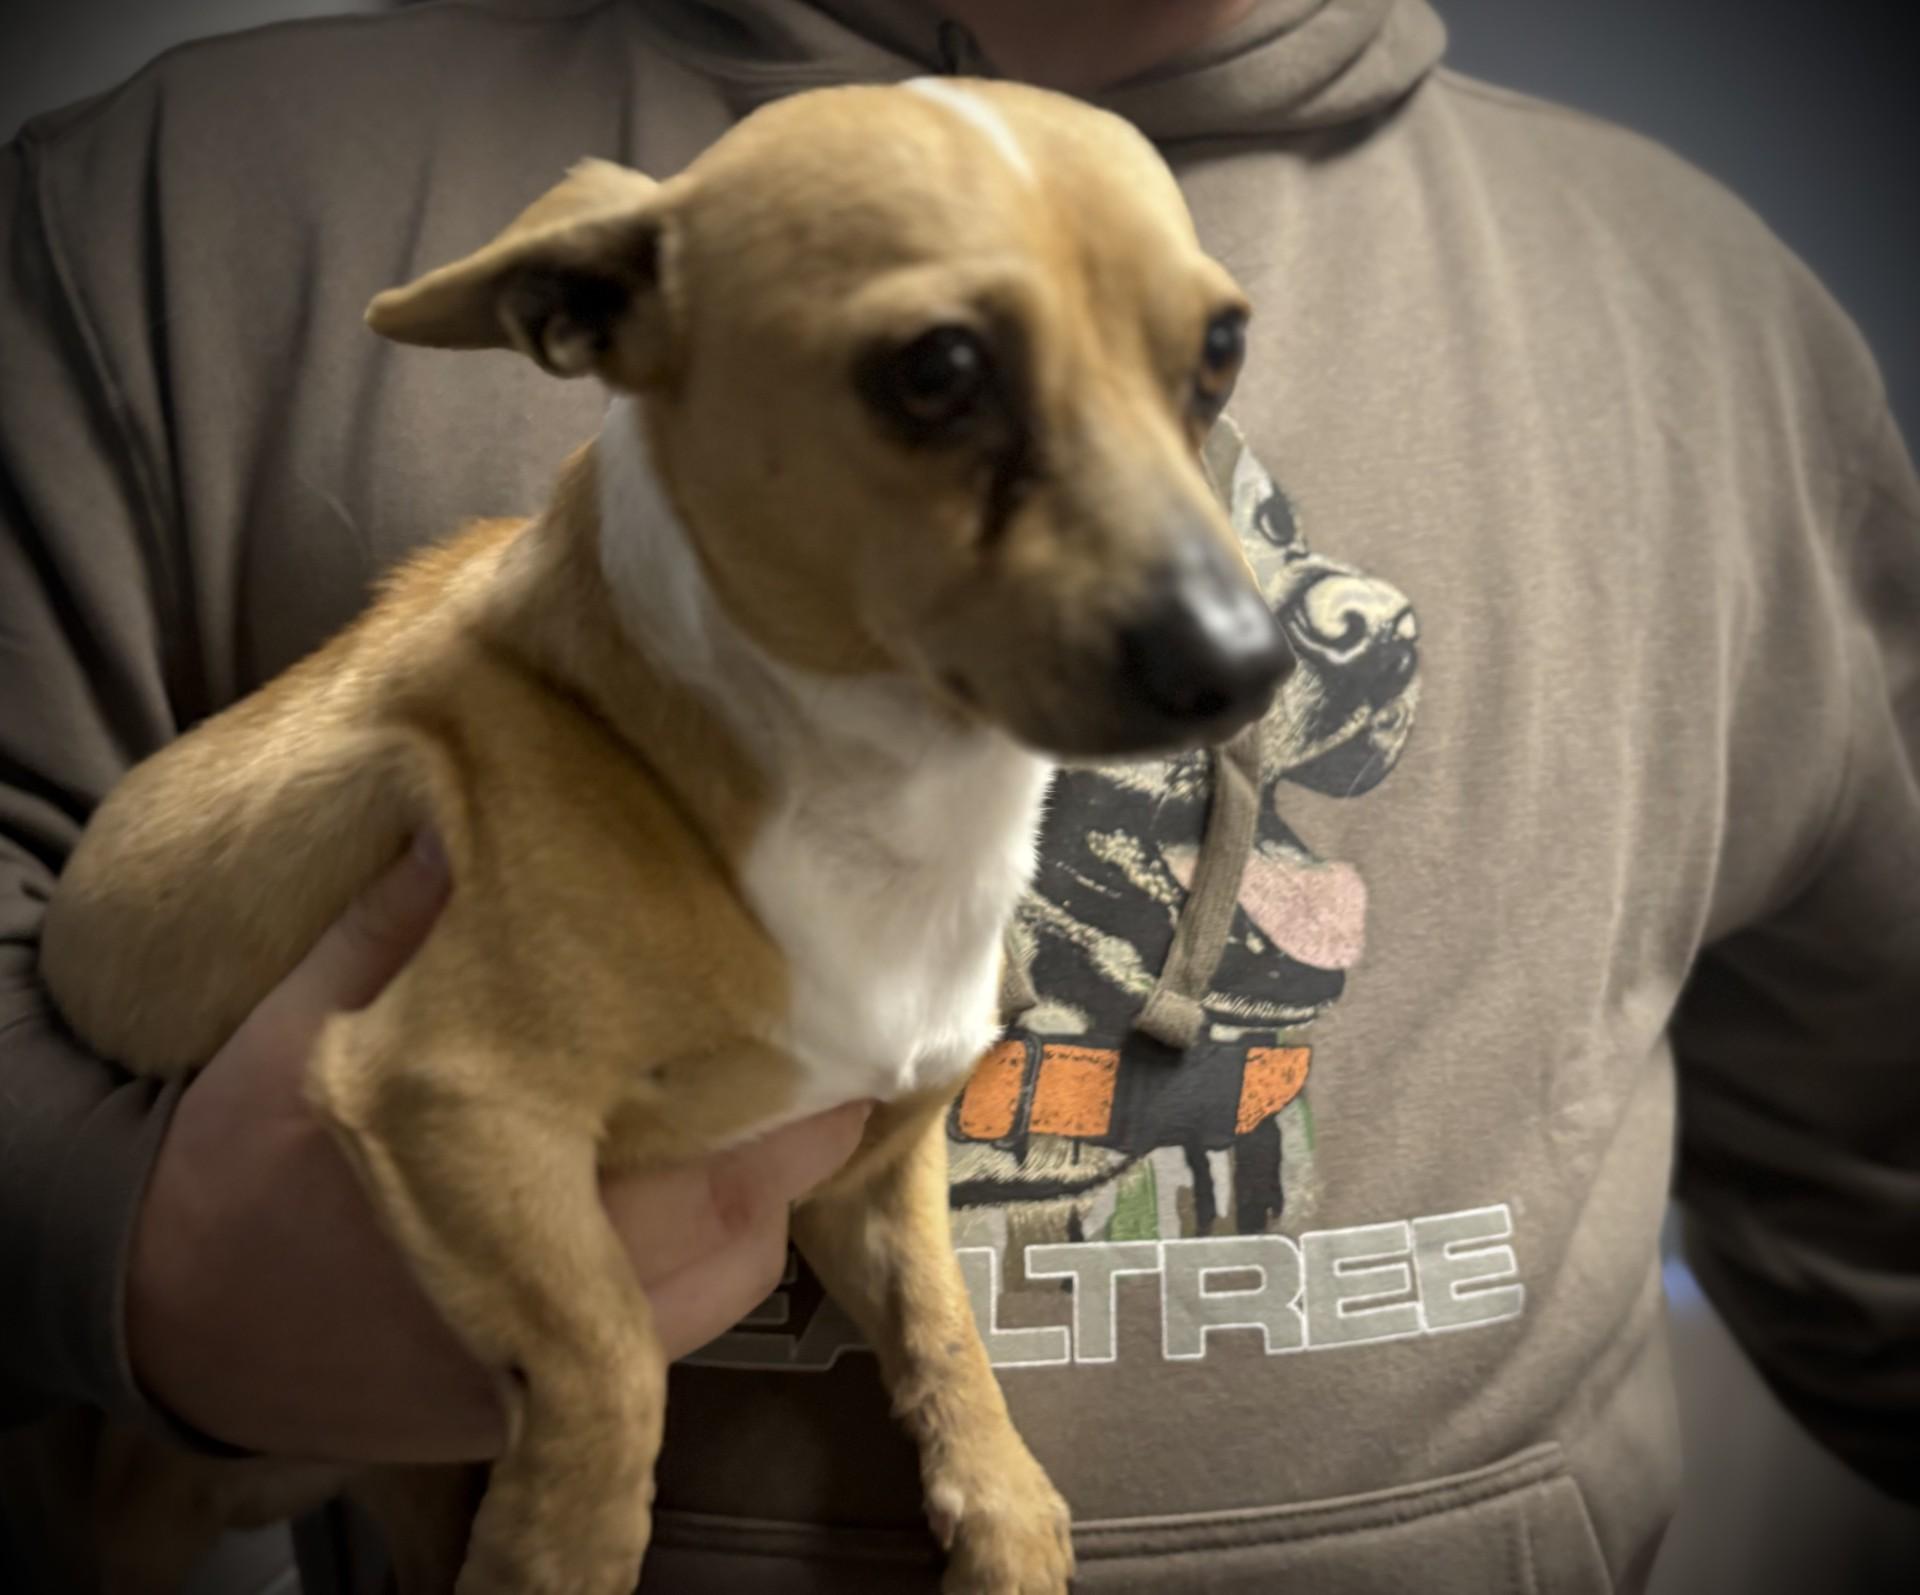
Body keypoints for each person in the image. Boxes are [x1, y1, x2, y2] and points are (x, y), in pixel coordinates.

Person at [1, 2, 1913, 1590]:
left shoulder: (1708, 310)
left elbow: (1877, 1167)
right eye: (931, 380)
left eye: (1207, 358)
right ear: (591, 323)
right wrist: (123, 1261)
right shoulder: (187, 215)